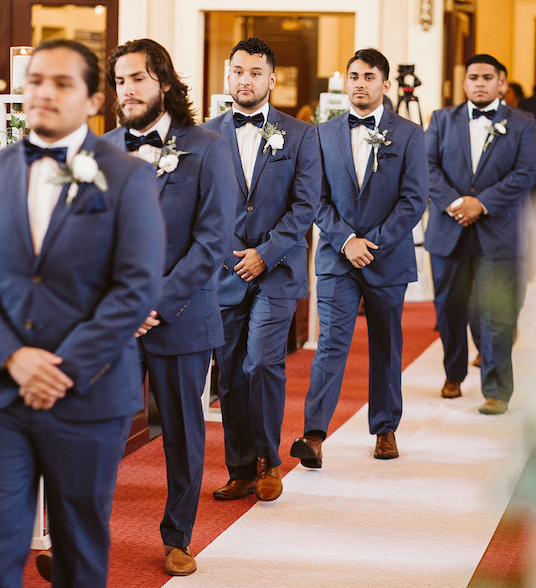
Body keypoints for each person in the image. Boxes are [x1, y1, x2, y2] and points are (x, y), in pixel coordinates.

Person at [0, 38, 164, 588]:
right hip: (0, 393)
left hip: (88, 393)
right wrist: (15, 357)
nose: (43, 91)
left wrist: (61, 368)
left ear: (95, 99)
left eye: (61, 83)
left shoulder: (128, 177)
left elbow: (135, 287)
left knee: (79, 544)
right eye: (36, 79)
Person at [99, 38, 236, 576]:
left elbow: (212, 240)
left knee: (182, 435)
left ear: (163, 83)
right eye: (120, 81)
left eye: (136, 79)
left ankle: (178, 536)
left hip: (180, 316)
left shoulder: (206, 148)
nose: (127, 91)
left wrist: (154, 303)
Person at [290, 49, 427, 467]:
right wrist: (347, 239)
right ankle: (313, 434)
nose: (360, 84)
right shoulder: (322, 133)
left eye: (369, 77)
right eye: (353, 76)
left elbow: (414, 199)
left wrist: (373, 243)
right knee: (331, 343)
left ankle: (385, 429)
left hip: (387, 257)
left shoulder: (408, 133)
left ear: (386, 85)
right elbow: (314, 197)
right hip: (337, 257)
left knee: (387, 344)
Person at [201, 37, 319, 503]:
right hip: (224, 271)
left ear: (272, 79)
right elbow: (203, 206)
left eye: (254, 72)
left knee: (262, 362)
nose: (244, 80)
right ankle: (241, 468)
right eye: (237, 72)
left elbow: (305, 205)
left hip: (277, 270)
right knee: (229, 372)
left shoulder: (302, 134)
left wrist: (265, 253)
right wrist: (232, 251)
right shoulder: (206, 135)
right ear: (227, 76)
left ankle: (271, 460)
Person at [425, 53, 535, 416]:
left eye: (488, 77)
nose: (480, 83)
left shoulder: (523, 123)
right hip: (449, 228)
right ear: (464, 82)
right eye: (473, 77)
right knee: (449, 309)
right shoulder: (441, 120)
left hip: (498, 232)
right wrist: (457, 202)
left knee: (496, 314)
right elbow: (426, 167)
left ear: (501, 82)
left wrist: (481, 204)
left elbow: (525, 174)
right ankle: (453, 373)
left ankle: (497, 390)